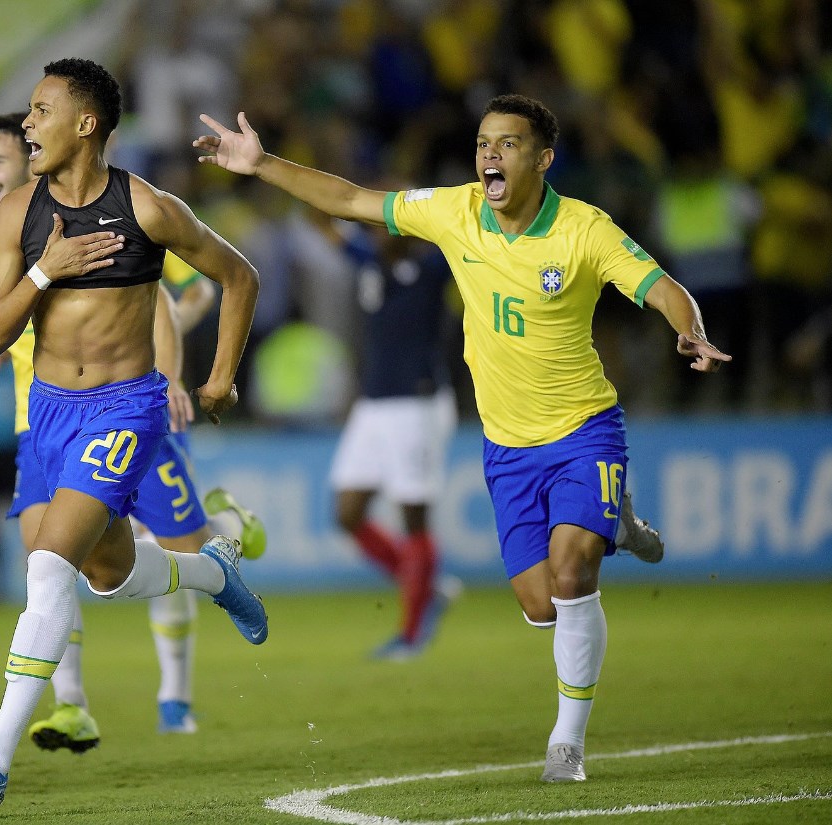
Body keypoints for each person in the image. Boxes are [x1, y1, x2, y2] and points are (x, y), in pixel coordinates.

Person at [194, 94, 729, 783]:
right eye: (482, 143)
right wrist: (260, 163)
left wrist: (688, 328)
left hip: (582, 432)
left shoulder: (583, 229)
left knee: (570, 576)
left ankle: (566, 741)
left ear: (543, 159)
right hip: (506, 446)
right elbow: (351, 199)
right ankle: (617, 527)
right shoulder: (453, 212)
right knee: (539, 603)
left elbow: (659, 285)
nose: (488, 155)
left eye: (506, 144)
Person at [0, 58, 263, 814]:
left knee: (46, 570)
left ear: (85, 124)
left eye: (40, 111)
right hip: (45, 416)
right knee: (102, 574)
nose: (25, 125)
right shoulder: (19, 214)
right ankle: (212, 572)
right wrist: (45, 272)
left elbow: (238, 277)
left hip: (122, 410)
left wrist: (218, 378)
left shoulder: (145, 207)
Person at [331, 222, 461, 660]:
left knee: (414, 517)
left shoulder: (432, 269)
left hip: (417, 404)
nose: (376, 231)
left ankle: (410, 635)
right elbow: (322, 221)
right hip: (372, 405)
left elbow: (467, 238)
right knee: (347, 513)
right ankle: (428, 587)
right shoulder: (368, 261)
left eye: (386, 224)